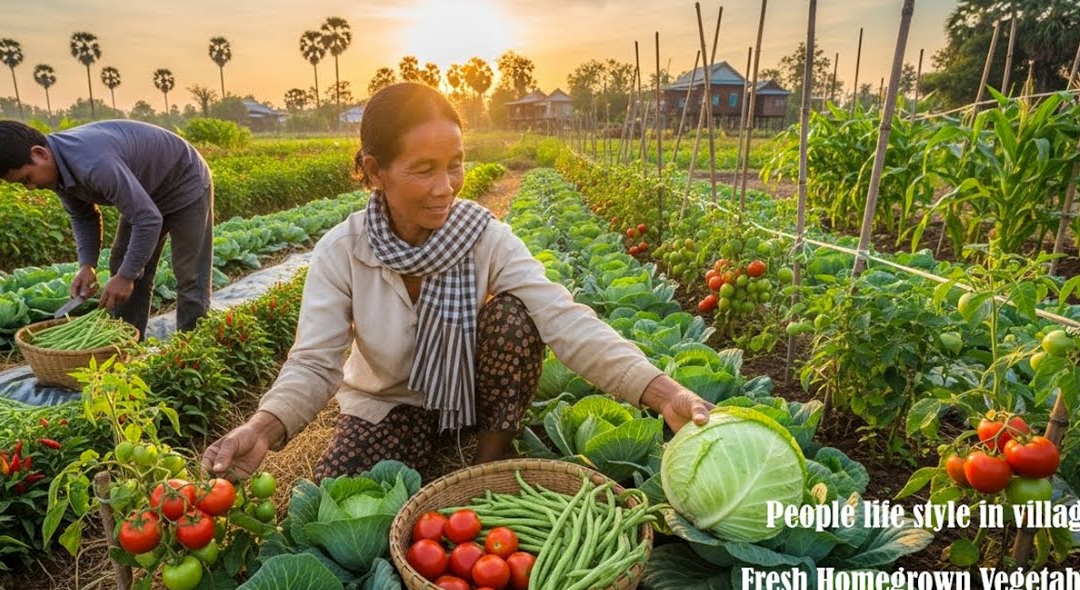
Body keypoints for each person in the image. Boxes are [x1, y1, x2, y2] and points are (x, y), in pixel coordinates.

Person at [202, 82, 713, 483]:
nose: (445, 187)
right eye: (424, 169)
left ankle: (485, 462)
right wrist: (262, 428)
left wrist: (664, 394)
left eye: (455, 165)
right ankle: (425, 440)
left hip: (472, 394)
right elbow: (315, 362)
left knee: (516, 319)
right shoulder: (343, 251)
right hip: (388, 403)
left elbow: (562, 317)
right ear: (376, 171)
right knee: (340, 490)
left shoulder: (483, 236)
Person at [0, 118, 214, 339]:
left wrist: (127, 276)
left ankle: (192, 350)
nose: (30, 187)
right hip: (145, 192)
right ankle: (126, 345)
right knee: (122, 264)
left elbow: (147, 219)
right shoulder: (56, 169)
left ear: (40, 153)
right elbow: (84, 216)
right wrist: (87, 265)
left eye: (26, 179)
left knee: (190, 274)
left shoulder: (94, 163)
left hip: (184, 182)